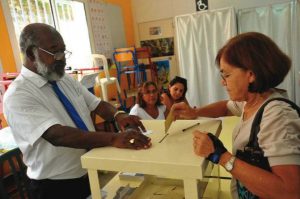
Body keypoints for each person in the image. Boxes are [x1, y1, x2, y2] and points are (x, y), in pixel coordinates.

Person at [3, 23, 151, 199]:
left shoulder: (64, 79)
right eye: (55, 52)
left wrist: (119, 115)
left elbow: (96, 104)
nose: (62, 59)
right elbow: (57, 135)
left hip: (88, 172)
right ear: (30, 54)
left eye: (63, 52)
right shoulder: (18, 95)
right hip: (55, 186)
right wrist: (113, 138)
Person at [171, 32, 300, 198]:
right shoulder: (253, 100)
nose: (222, 82)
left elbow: (291, 191)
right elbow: (225, 107)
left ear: (251, 74)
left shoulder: (276, 117)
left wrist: (220, 156)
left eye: (227, 75)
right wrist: (195, 112)